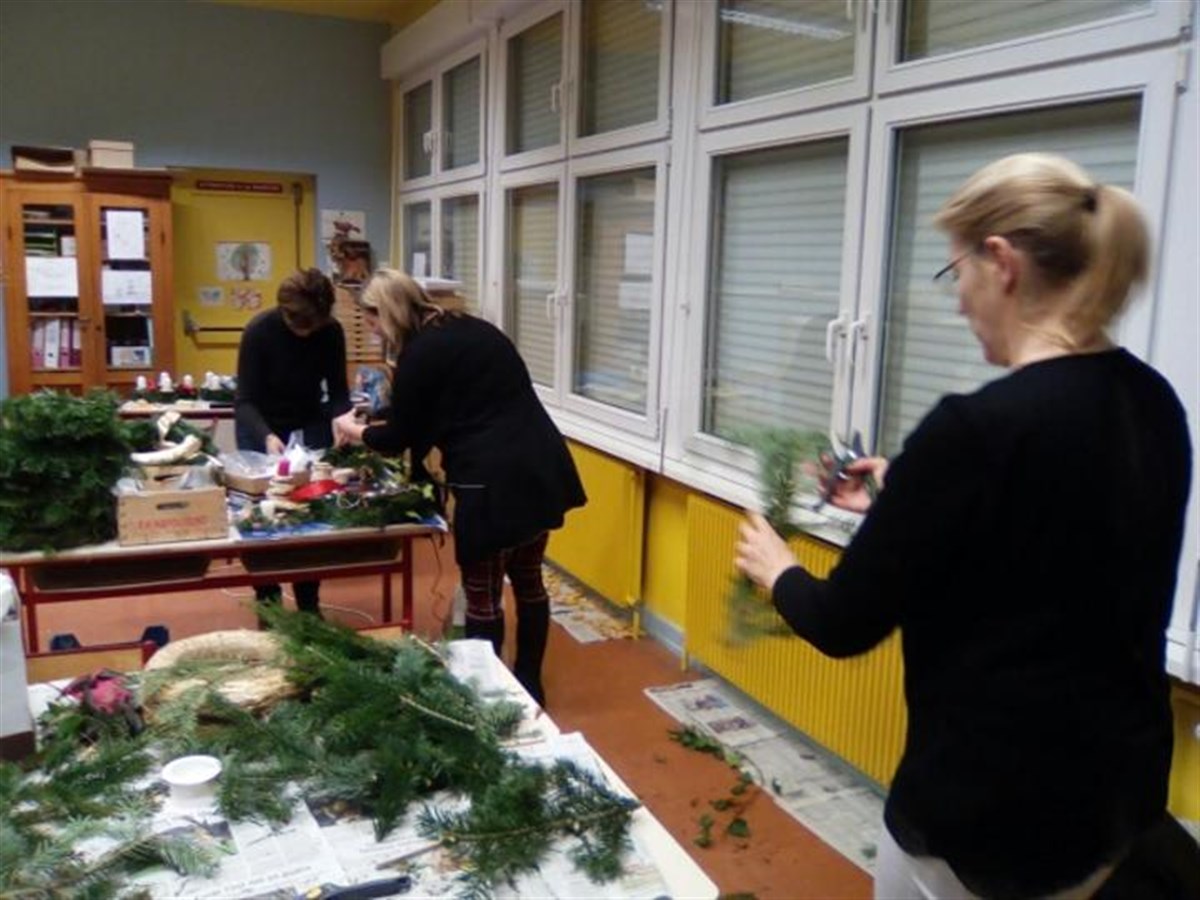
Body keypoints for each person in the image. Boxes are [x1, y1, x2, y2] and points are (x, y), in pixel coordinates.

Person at [735, 153, 1194, 899]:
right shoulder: (1152, 402)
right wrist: (909, 496)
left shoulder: (975, 430)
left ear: (1001, 263)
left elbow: (841, 623)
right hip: (1110, 804)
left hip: (987, 818)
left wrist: (775, 566)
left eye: (956, 273)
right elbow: (1054, 549)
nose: (957, 303)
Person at [332, 269, 585, 705]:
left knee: (483, 597)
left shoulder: (418, 354)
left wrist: (351, 429)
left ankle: (489, 699)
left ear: (386, 312)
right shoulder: (474, 329)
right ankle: (529, 685)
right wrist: (379, 418)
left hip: (491, 483)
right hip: (540, 467)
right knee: (528, 581)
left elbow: (399, 437)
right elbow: (441, 404)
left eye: (372, 320)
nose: (373, 331)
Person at [235, 267, 352, 617]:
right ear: (285, 312)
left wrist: (343, 420)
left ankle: (308, 603)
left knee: (308, 514)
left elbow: (338, 391)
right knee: (262, 516)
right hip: (261, 425)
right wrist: (268, 436)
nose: (306, 333)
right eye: (300, 326)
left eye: (313, 327)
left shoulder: (330, 332)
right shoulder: (259, 331)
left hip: (308, 422)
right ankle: (268, 602)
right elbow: (245, 400)